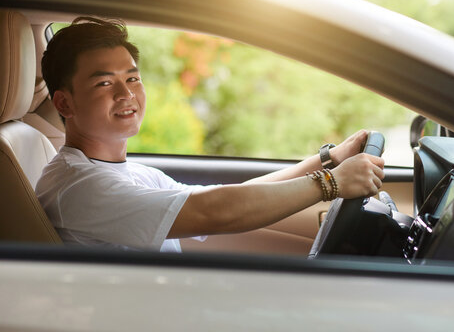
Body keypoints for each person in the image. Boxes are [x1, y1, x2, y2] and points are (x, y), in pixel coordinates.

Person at [36, 17, 385, 252]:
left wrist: (327, 160)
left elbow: (221, 198)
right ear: (65, 103)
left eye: (132, 78)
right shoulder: (78, 185)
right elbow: (213, 212)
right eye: (104, 83)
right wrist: (330, 182)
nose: (126, 94)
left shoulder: (124, 171)